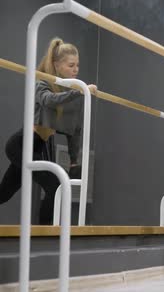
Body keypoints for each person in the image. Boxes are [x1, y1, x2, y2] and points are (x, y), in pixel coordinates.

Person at [0, 38, 97, 225]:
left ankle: (44, 232)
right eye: (71, 65)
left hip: (40, 145)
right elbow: (48, 100)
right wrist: (79, 92)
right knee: (54, 185)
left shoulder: (71, 91)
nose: (76, 69)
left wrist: (74, 159)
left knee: (4, 191)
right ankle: (43, 234)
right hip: (22, 143)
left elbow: (74, 130)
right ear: (57, 65)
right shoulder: (43, 81)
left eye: (78, 65)